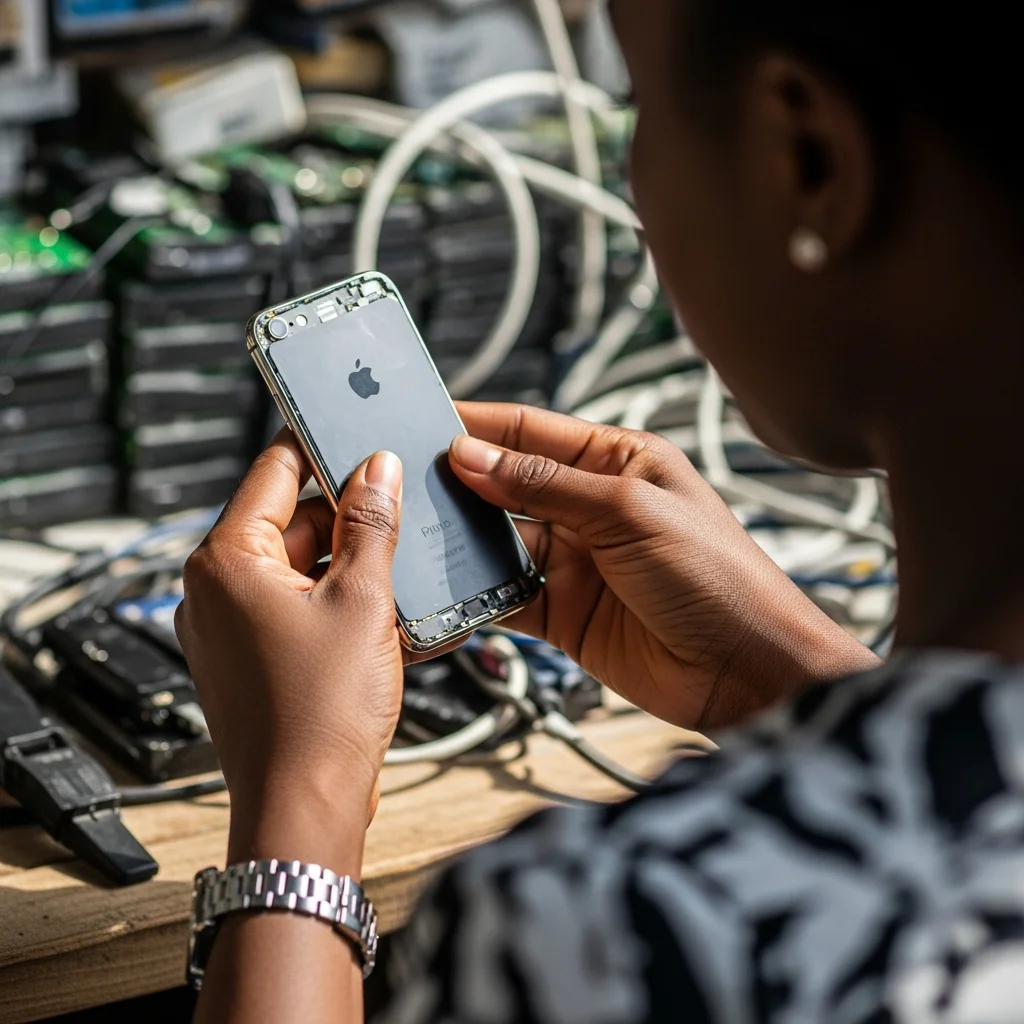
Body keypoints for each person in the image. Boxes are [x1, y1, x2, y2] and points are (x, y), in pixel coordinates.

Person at [175, 0, 1024, 1019]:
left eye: (637, 106)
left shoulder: (616, 930)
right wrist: (788, 682)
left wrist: (294, 807)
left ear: (806, 156)